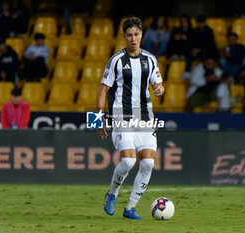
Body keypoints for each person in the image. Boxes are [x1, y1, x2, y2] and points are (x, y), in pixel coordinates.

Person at [97, 17, 164, 220]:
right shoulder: (116, 60)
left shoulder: (150, 59)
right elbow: (103, 90)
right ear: (124, 36)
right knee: (127, 161)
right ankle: (112, 193)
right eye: (129, 35)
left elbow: (158, 84)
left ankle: (130, 208)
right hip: (122, 115)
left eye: (136, 34)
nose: (133, 39)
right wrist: (100, 119)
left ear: (141, 35)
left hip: (145, 117)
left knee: (148, 164)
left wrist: (160, 88)